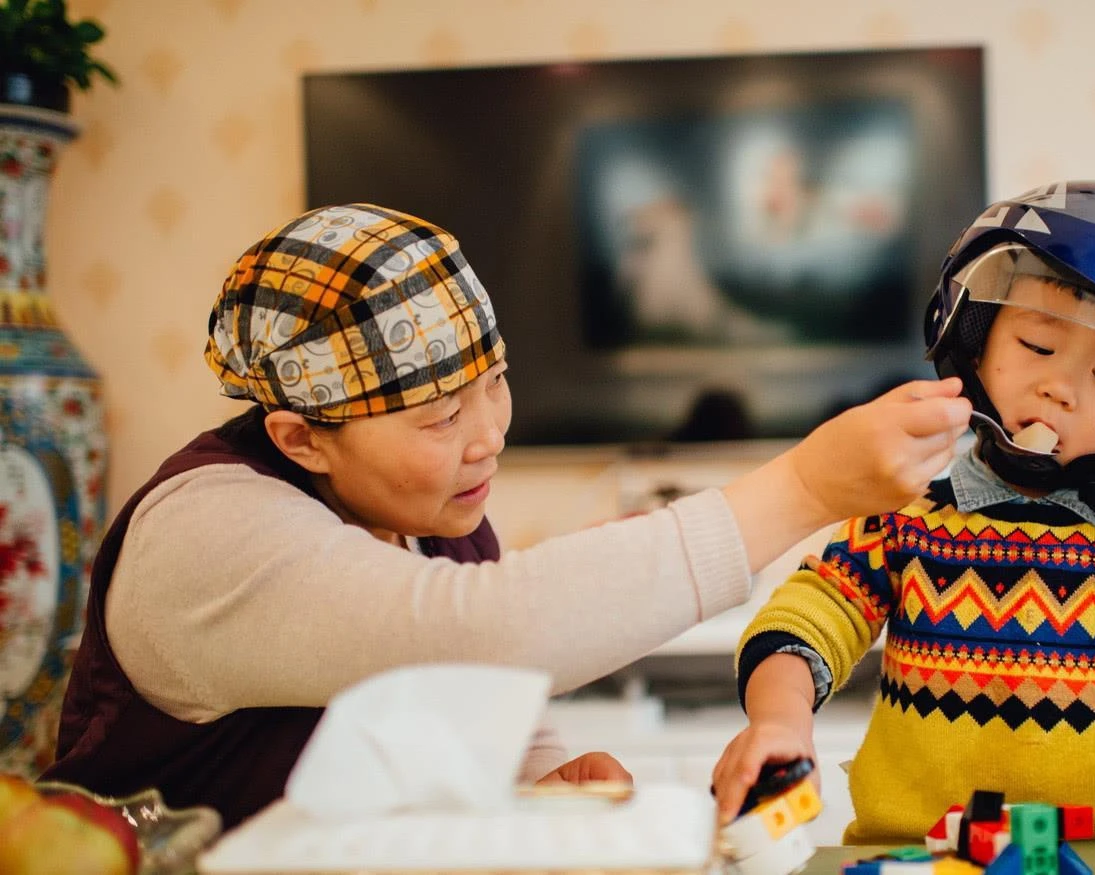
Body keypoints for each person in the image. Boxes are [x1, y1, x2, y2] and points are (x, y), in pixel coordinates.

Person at [40, 203, 971, 829]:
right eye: (441, 416)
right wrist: (806, 488)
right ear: (301, 438)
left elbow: (462, 694)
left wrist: (537, 775)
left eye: (496, 383)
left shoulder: (426, 515)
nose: (488, 434)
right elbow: (483, 632)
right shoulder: (207, 534)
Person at [710, 182, 1095, 842]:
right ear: (976, 342)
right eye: (1038, 347)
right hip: (924, 858)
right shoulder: (904, 518)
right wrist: (781, 721)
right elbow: (806, 620)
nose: (1060, 388)